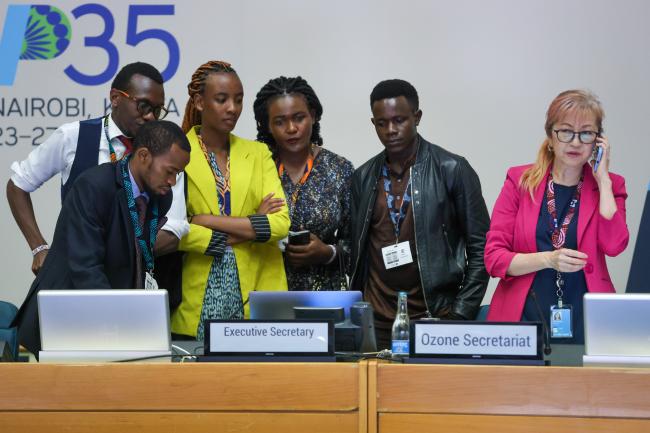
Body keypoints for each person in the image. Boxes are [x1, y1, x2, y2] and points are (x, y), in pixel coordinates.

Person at [13, 120, 191, 356]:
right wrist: (115, 329)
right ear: (144, 155)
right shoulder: (93, 186)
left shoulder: (160, 197)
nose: (172, 182)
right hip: (65, 322)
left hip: (111, 323)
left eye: (177, 174)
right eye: (169, 171)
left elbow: (136, 257)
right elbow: (87, 269)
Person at [6, 62, 188, 275]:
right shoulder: (74, 136)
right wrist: (39, 247)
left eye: (157, 110)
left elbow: (174, 228)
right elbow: (18, 185)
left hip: (133, 282)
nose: (150, 117)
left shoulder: (165, 153)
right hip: (73, 275)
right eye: (144, 105)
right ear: (115, 98)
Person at [349, 79, 490, 349]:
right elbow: (356, 248)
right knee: (372, 392)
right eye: (382, 123)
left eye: (399, 120)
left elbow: (482, 247)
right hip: (375, 321)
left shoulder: (452, 169)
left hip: (435, 316)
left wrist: (460, 313)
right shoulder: (363, 177)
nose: (391, 130)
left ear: (417, 117)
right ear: (374, 123)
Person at [485, 89, 629, 344]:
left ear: (598, 141)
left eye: (586, 133)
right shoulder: (519, 181)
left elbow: (614, 245)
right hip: (523, 320)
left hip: (589, 321)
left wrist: (603, 180)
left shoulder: (611, 185)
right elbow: (494, 259)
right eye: (565, 131)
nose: (575, 142)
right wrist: (548, 259)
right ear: (551, 137)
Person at [172, 61, 290, 341]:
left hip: (256, 295)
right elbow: (174, 231)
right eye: (222, 99)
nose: (233, 108)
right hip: (196, 300)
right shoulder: (177, 153)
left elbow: (280, 223)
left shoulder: (258, 153)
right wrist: (251, 226)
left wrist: (204, 221)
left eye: (238, 100)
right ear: (199, 102)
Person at [253, 76, 354, 291]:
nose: (291, 128)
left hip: (325, 297)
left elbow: (359, 245)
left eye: (299, 118)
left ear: (314, 115)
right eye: (280, 121)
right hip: (267, 293)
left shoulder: (339, 169)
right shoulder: (255, 167)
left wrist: (328, 253)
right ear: (267, 126)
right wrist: (256, 223)